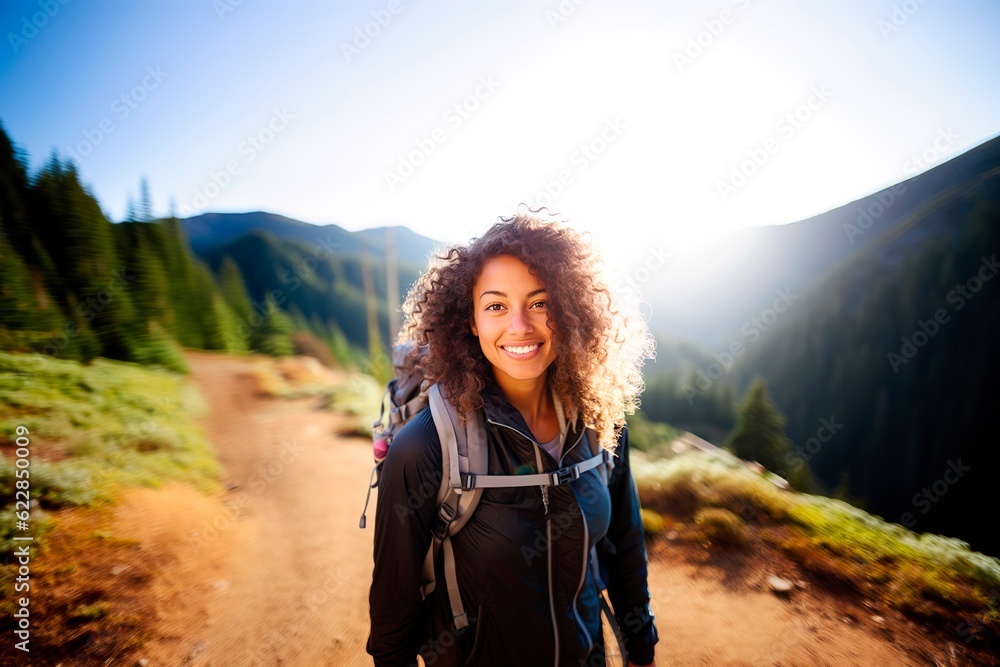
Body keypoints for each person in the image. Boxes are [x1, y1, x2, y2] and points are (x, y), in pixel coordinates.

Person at [366, 212, 659, 666]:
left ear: (568, 309)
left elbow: (624, 543)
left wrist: (641, 648)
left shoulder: (595, 420)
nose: (520, 326)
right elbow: (393, 613)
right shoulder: (425, 447)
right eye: (496, 306)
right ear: (470, 321)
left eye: (540, 303)